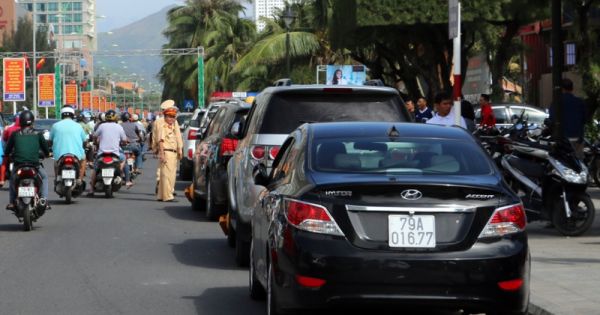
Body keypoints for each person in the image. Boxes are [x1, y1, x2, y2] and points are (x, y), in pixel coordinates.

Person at [5, 111, 50, 211]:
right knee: (45, 177)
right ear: (32, 122)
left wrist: (7, 155)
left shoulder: (15, 134)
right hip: (34, 166)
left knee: (12, 179)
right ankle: (44, 200)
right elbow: (46, 150)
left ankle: (12, 202)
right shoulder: (38, 134)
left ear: (20, 121)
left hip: (18, 166)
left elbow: (7, 150)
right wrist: (47, 154)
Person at [87, 110, 129, 196]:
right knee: (124, 158)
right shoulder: (119, 127)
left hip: (102, 154)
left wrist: (95, 142)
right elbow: (124, 140)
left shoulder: (102, 126)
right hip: (115, 154)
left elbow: (95, 136)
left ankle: (91, 190)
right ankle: (120, 174)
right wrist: (123, 143)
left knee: (95, 169)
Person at [550, 78, 586, 158]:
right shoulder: (580, 102)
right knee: (578, 164)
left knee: (563, 164)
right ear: (572, 88)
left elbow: (551, 118)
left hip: (562, 139)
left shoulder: (557, 102)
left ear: (561, 89)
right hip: (577, 138)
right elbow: (584, 120)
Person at [50, 106, 87, 183]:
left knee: (56, 163)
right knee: (83, 161)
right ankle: (80, 178)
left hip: (59, 154)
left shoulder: (55, 126)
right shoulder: (78, 126)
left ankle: (57, 178)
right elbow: (84, 140)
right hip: (76, 154)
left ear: (62, 115)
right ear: (72, 115)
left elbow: (50, 140)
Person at [156, 106, 183, 202]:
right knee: (168, 176)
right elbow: (160, 141)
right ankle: (168, 196)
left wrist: (179, 150)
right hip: (167, 152)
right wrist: (162, 154)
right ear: (165, 117)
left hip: (173, 153)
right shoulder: (163, 127)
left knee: (167, 175)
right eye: (170, 116)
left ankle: (161, 195)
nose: (172, 118)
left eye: (173, 116)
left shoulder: (171, 127)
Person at [0, 115, 21, 187]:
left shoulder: (9, 129)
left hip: (10, 151)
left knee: (4, 163)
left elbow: (4, 139)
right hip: (20, 153)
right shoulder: (25, 129)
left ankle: (2, 180)